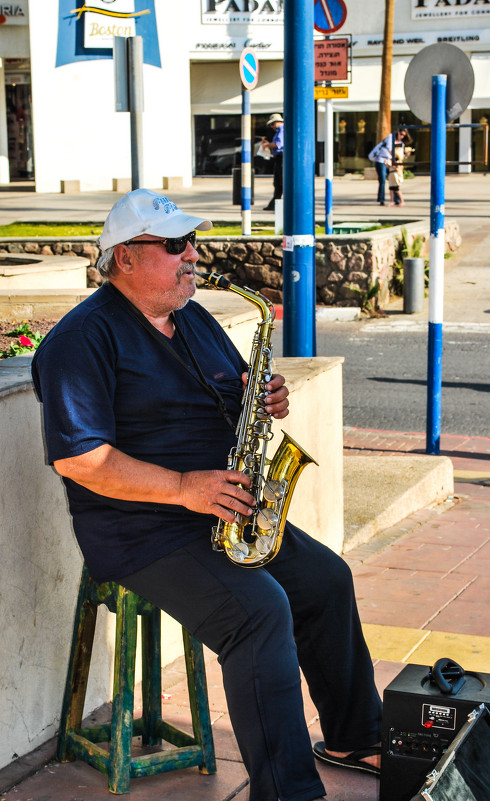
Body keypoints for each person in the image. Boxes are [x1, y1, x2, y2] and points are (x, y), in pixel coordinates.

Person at [32, 188, 382, 801]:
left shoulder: (191, 316)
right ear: (124, 259)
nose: (192, 254)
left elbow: (231, 391)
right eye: (174, 245)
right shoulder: (80, 341)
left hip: (223, 510)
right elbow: (80, 459)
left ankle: (355, 736)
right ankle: (289, 792)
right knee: (258, 612)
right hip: (141, 531)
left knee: (327, 580)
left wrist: (263, 399)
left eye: (192, 241)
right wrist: (182, 488)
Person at [369, 128, 410, 207]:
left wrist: (405, 155)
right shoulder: (390, 137)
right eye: (401, 134)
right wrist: (394, 157)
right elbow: (389, 149)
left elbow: (400, 156)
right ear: (398, 132)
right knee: (383, 180)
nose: (401, 136)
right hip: (382, 160)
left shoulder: (401, 143)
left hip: (393, 163)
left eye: (403, 135)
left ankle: (396, 200)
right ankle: (381, 199)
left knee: (393, 181)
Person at [261, 112, 284, 211]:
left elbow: (278, 144)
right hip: (279, 157)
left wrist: (267, 145)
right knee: (278, 182)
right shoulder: (279, 131)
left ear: (277, 122)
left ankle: (275, 203)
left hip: (281, 157)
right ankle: (274, 203)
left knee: (280, 181)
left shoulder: (282, 130)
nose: (272, 127)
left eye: (272, 124)